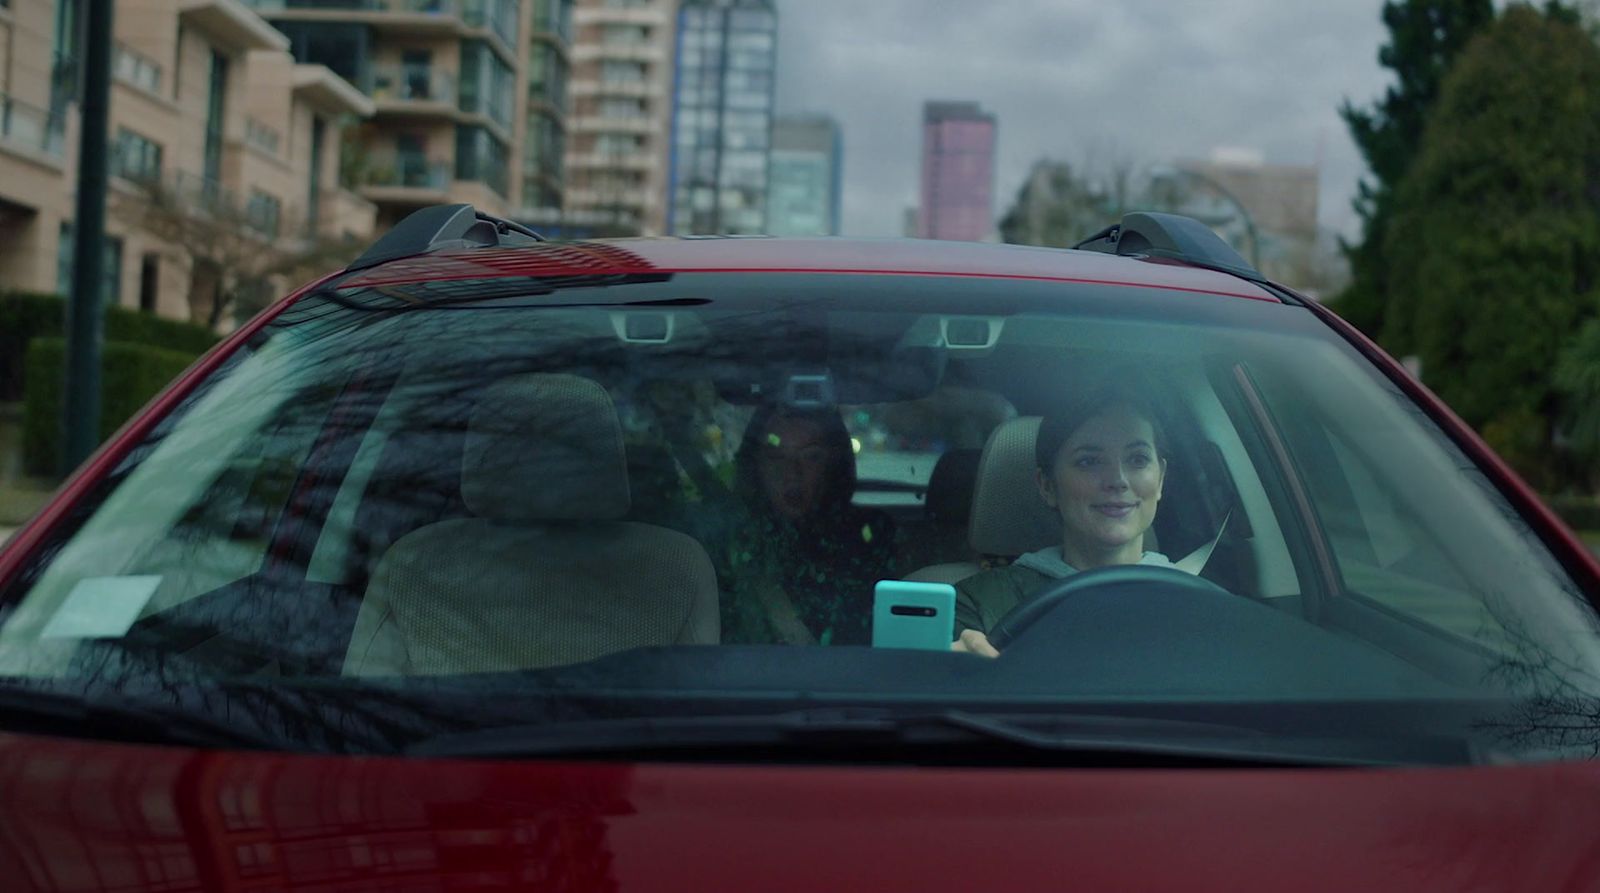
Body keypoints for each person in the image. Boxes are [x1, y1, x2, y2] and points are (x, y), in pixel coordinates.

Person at [952, 385, 1173, 657]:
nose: (1118, 480)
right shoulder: (975, 606)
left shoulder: (1203, 602)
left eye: (1137, 459)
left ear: (1160, 478)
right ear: (1047, 486)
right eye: (1089, 461)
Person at [718, 403, 897, 646]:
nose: (792, 473)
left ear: (834, 466)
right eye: (776, 456)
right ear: (755, 466)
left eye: (811, 457)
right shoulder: (727, 540)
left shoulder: (871, 539)